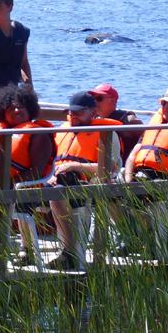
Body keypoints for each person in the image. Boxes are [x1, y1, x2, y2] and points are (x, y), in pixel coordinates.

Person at [48, 91, 121, 270]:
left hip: (88, 183)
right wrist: (50, 175)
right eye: (71, 112)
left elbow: (110, 168)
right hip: (58, 181)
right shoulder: (62, 131)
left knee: (58, 195)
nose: (74, 117)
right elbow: (50, 161)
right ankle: (62, 251)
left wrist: (75, 167)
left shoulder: (106, 134)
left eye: (79, 113)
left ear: (92, 112)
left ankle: (71, 252)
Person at [0, 84, 54, 184]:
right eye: (11, 109)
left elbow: (36, 173)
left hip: (18, 189)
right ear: (3, 113)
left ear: (29, 109)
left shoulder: (38, 134)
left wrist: (5, 186)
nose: (16, 111)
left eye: (20, 107)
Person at [88, 83, 143, 162]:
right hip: (97, 165)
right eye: (93, 99)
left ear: (112, 100)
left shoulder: (129, 120)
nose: (95, 103)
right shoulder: (93, 120)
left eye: (99, 98)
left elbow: (145, 140)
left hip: (121, 166)